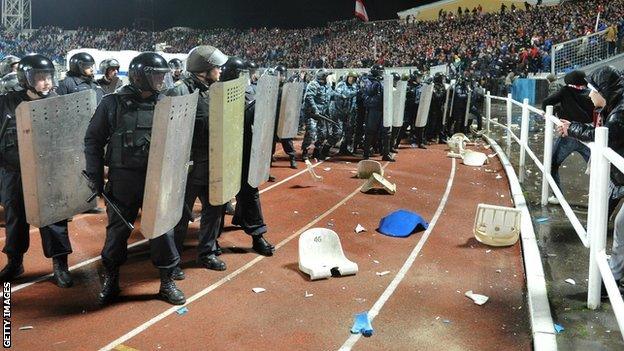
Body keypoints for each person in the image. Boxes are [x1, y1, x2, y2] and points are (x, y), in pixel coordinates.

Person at [84, 52, 185, 305]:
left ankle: (166, 281)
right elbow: (93, 140)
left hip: (157, 178)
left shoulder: (169, 103)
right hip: (123, 180)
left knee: (163, 231)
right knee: (117, 233)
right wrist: (95, 175)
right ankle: (112, 278)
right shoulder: (112, 103)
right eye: (156, 76)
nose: (162, 80)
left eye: (163, 76)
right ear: (140, 76)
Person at [0, 54, 73, 288]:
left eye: (48, 77)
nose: (46, 82)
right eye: (40, 77)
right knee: (16, 218)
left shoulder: (58, 102)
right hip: (14, 171)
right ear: (25, 79)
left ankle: (60, 264)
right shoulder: (7, 102)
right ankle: (15, 261)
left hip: (47, 173)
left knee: (54, 218)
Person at [557, 66, 624, 294]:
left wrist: (572, 129)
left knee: (620, 224)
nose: (589, 94)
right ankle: (612, 279)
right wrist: (573, 128)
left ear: (603, 90)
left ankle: (610, 282)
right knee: (613, 222)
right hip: (619, 177)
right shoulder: (612, 106)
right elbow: (602, 132)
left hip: (619, 176)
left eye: (592, 90)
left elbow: (607, 136)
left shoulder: (620, 111)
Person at [166, 45, 229, 274]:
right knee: (179, 216)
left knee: (214, 211)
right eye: (216, 67)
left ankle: (207, 252)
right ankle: (171, 261)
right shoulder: (179, 92)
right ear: (204, 69)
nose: (220, 70)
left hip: (212, 164)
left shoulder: (215, 90)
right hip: (188, 168)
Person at [543, 70, 594, 205]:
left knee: (551, 164)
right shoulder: (591, 94)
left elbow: (547, 102)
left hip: (568, 134)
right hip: (587, 136)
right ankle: (600, 201)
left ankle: (558, 195)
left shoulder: (565, 91)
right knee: (599, 168)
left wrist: (552, 112)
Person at [363, 64, 394, 161]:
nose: (381, 73)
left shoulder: (383, 81)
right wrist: (376, 83)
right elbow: (368, 92)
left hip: (384, 108)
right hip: (374, 109)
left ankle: (386, 153)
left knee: (386, 132)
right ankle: (366, 154)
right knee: (370, 132)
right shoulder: (368, 81)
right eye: (380, 72)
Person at [302, 68, 332, 160]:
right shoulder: (313, 84)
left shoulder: (327, 86)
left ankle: (317, 150)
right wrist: (315, 109)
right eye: (326, 76)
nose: (328, 78)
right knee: (311, 132)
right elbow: (309, 97)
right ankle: (305, 151)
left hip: (322, 114)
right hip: (312, 114)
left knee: (323, 134)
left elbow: (328, 99)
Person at [332, 71, 358, 155]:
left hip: (350, 113)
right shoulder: (341, 85)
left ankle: (344, 148)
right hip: (339, 112)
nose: (352, 79)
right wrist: (355, 92)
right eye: (351, 77)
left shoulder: (354, 86)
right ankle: (326, 148)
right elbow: (344, 95)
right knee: (338, 132)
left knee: (349, 132)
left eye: (354, 78)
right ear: (347, 77)